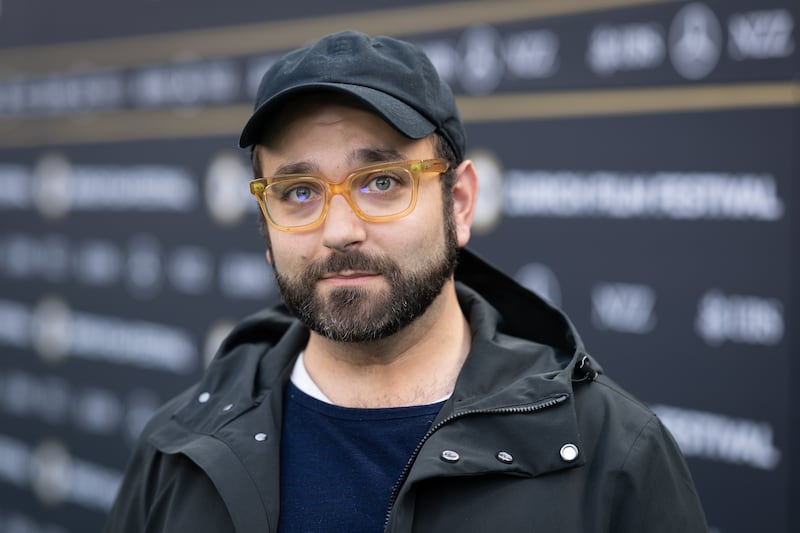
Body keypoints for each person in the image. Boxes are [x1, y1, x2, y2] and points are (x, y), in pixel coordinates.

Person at [104, 31, 707, 532]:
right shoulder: (180, 449)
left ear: (459, 203)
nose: (340, 231)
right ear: (266, 226)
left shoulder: (612, 451)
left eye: (383, 182)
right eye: (299, 192)